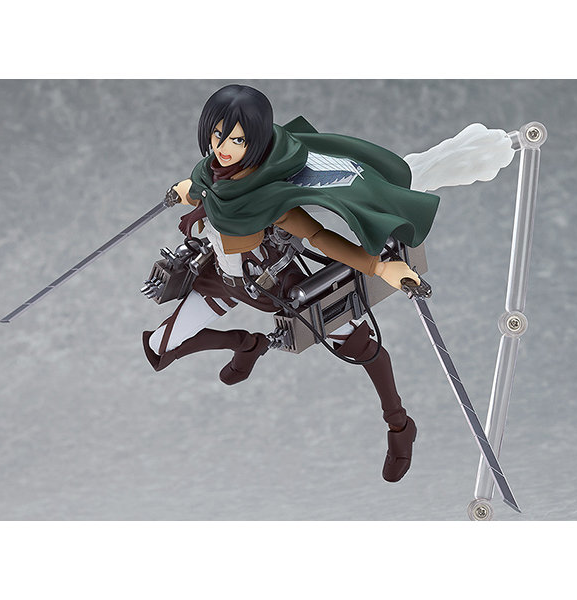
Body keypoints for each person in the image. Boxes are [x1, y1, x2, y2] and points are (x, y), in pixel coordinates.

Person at [142, 84, 443, 483]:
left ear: (256, 141)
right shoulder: (209, 174)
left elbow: (319, 237)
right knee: (158, 347)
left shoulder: (271, 194)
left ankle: (400, 425)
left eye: (237, 140)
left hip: (275, 284)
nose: (223, 148)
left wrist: (380, 267)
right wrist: (182, 192)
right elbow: (197, 188)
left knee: (360, 346)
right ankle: (246, 344)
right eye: (217, 135)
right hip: (222, 279)